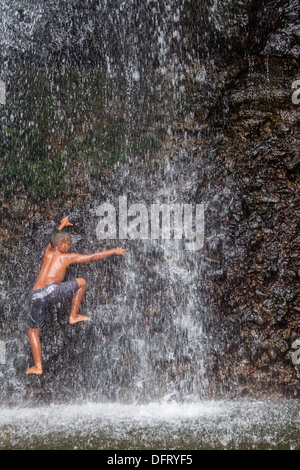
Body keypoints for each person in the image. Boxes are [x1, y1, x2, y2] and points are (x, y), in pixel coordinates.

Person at [26, 216, 126, 375]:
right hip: (52, 291)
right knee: (81, 281)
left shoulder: (48, 253)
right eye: (68, 243)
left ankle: (38, 366)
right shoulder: (67, 257)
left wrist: (61, 225)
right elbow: (92, 257)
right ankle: (73, 315)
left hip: (37, 295)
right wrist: (113, 250)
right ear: (61, 245)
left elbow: (53, 239)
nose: (70, 245)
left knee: (33, 331)